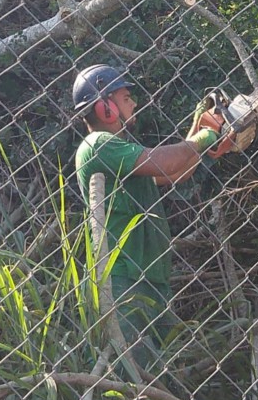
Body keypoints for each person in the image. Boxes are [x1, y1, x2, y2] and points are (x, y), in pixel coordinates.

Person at [72, 64, 238, 379]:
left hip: (148, 276)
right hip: (122, 281)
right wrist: (206, 135)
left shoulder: (124, 154)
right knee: (136, 377)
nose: (133, 103)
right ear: (105, 107)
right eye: (125, 97)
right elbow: (163, 163)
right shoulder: (98, 145)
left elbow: (174, 172)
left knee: (161, 371)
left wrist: (203, 139)